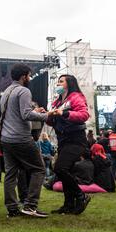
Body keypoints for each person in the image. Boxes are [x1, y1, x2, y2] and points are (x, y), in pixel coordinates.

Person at [0, 63, 52, 218]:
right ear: (23, 76)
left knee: (10, 174)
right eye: (29, 75)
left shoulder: (7, 92)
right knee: (39, 169)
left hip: (6, 139)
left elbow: (13, 114)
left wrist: (34, 111)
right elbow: (25, 115)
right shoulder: (24, 91)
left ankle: (12, 209)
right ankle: (30, 206)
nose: (30, 78)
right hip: (21, 138)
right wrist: (47, 115)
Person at [47, 74, 91, 215]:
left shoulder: (76, 97)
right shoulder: (57, 102)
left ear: (69, 83)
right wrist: (47, 115)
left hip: (75, 139)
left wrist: (64, 113)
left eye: (61, 81)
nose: (58, 84)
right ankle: (68, 205)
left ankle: (81, 196)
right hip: (63, 140)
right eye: (58, 82)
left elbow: (84, 115)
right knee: (66, 171)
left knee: (60, 168)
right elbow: (52, 122)